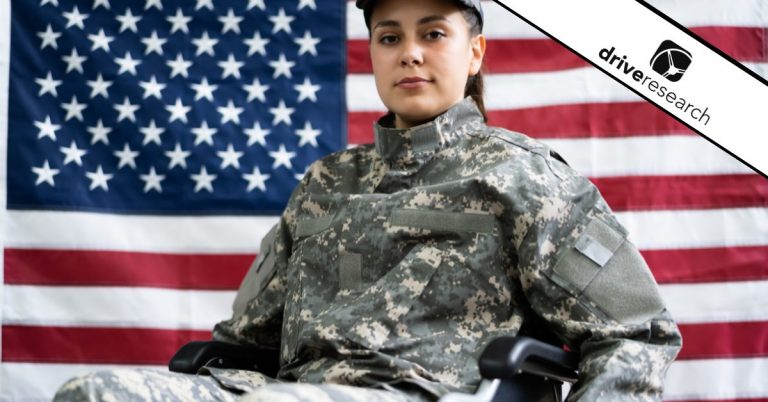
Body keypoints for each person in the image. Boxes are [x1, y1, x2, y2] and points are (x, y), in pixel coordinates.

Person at [54, 0, 682, 400]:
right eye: (389, 36)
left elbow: (638, 336)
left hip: (424, 395)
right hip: (295, 393)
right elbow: (242, 339)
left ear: (475, 54)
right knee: (94, 393)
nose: (409, 51)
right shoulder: (325, 183)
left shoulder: (526, 177)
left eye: (433, 33)